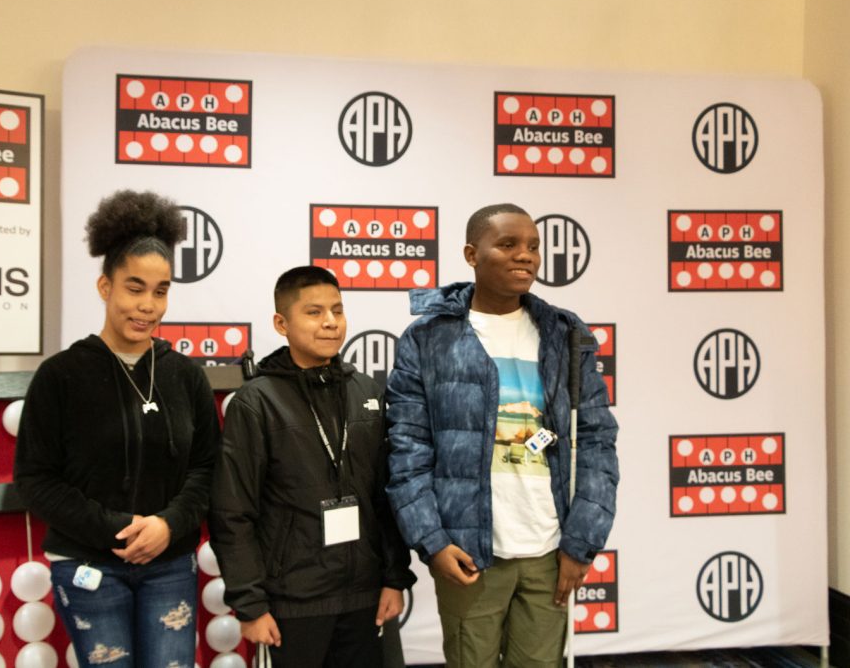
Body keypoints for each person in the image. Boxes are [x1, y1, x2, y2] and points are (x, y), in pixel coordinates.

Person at [385, 204, 619, 668]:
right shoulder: (428, 337)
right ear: (472, 254)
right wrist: (431, 541)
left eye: (533, 246)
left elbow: (596, 442)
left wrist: (582, 541)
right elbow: (406, 449)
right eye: (508, 244)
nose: (525, 256)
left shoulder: (565, 334)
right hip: (468, 552)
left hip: (549, 552)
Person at [14, 190, 220, 667]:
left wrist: (169, 525)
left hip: (170, 564)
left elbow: (207, 468)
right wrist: (120, 529)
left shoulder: (185, 375)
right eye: (134, 287)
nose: (148, 305)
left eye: (161, 290)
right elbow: (36, 479)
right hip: (87, 567)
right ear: (105, 287)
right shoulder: (60, 375)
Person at [209, 265, 416, 668]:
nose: (330, 323)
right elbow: (233, 512)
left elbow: (386, 497)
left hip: (364, 597)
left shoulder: (367, 393)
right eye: (314, 312)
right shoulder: (257, 402)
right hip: (292, 603)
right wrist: (250, 604)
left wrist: (394, 578)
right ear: (281, 323)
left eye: (337, 311)